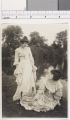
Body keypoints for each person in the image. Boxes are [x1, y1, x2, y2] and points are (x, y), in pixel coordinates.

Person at [13, 36, 37, 102]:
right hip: (22, 66)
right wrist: (17, 68)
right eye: (24, 43)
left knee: (29, 79)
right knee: (22, 80)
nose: (25, 44)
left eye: (26, 43)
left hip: (28, 65)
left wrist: (32, 66)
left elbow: (31, 58)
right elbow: (16, 60)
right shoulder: (17, 50)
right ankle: (21, 94)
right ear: (21, 43)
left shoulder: (28, 49)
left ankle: (29, 94)